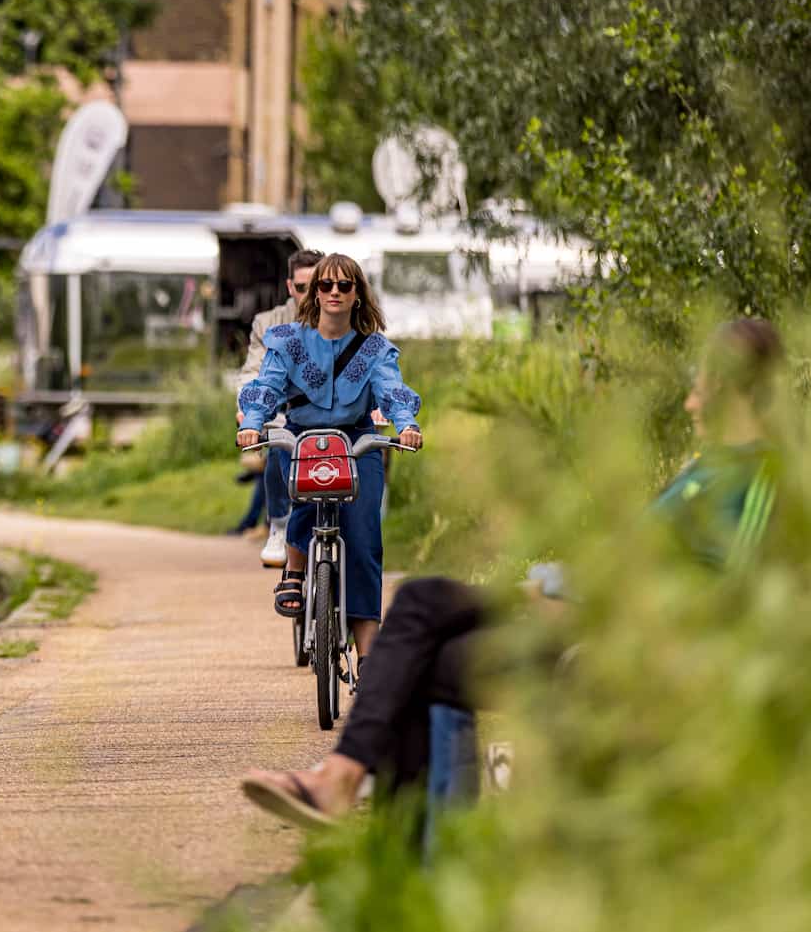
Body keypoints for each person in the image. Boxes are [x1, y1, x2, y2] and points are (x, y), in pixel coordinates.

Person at [238, 317, 784, 829]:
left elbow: (725, 591)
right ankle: (410, 858)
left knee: (423, 608)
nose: (690, 401)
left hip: (627, 639)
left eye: (702, 385)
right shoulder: (706, 467)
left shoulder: (761, 477)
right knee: (431, 646)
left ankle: (346, 787)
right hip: (590, 609)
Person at [236, 253, 425, 664]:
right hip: (305, 437)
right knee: (300, 493)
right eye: (325, 285)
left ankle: (368, 654)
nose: (334, 293)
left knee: (363, 541)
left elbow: (392, 390)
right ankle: (295, 570)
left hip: (357, 440)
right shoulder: (286, 341)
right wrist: (252, 422)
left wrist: (406, 423)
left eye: (344, 285)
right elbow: (266, 388)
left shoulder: (375, 348)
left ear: (358, 294)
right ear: (314, 293)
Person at [238, 249, 325, 565]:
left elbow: (374, 364)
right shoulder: (271, 325)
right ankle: (278, 523)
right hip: (285, 410)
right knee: (278, 442)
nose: (311, 295)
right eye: (302, 288)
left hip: (336, 413)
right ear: (290, 287)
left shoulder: (344, 317)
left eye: (318, 286)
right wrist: (250, 413)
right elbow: (255, 374)